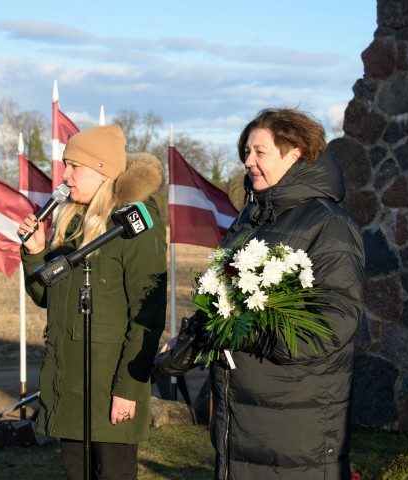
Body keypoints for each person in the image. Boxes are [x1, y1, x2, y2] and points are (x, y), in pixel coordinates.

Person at [164, 108, 365, 479]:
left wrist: (241, 331)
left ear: (295, 154)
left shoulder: (329, 225)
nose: (248, 161)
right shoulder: (250, 219)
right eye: (246, 152)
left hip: (294, 425)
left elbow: (331, 326)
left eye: (260, 152)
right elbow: (227, 298)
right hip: (238, 418)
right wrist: (194, 336)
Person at [18, 124, 167, 480]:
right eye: (65, 165)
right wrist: (35, 254)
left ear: (102, 171)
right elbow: (46, 296)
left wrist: (128, 388)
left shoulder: (134, 223)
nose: (64, 175)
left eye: (74, 166)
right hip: (69, 380)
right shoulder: (71, 221)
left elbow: (148, 315)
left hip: (111, 383)